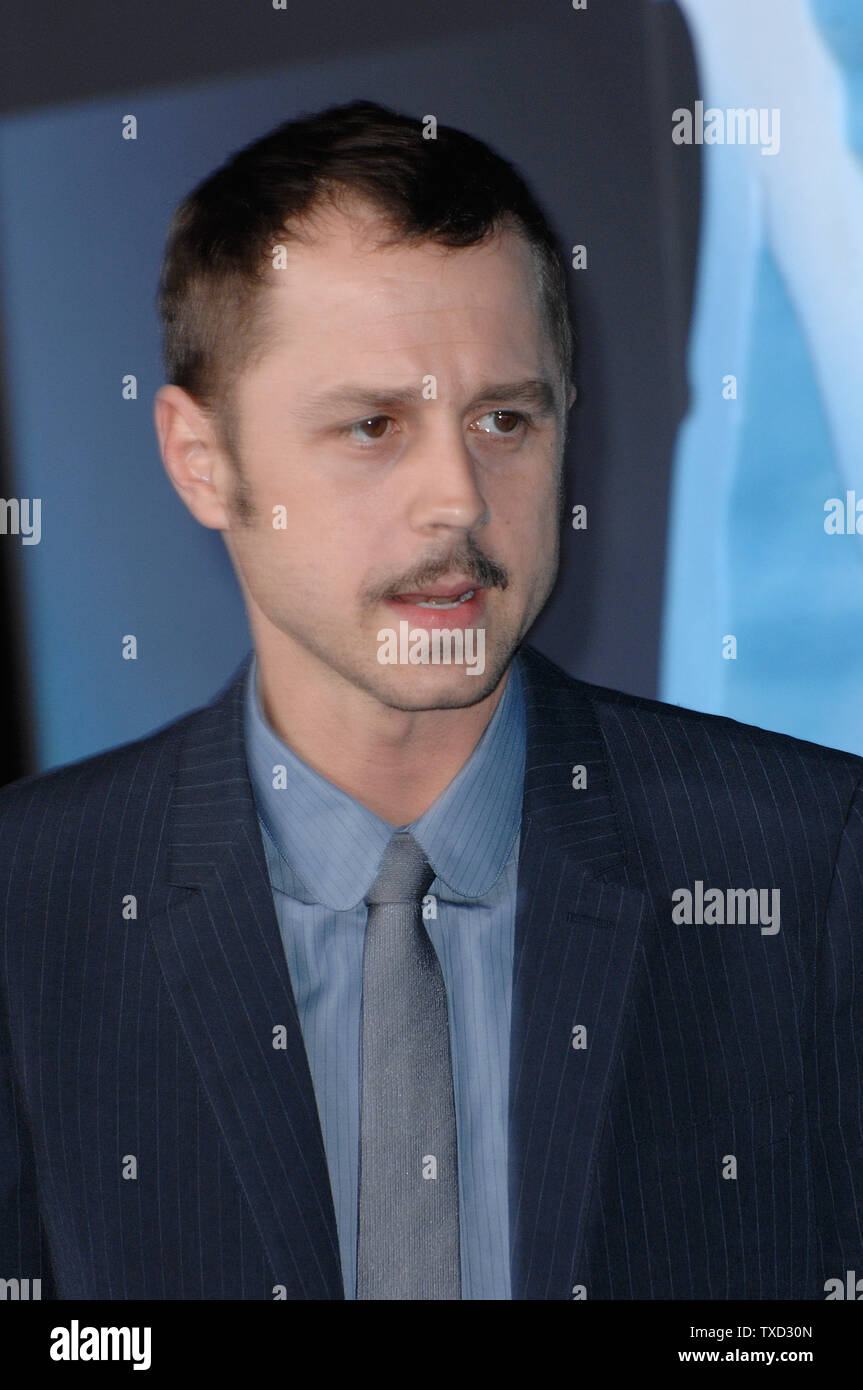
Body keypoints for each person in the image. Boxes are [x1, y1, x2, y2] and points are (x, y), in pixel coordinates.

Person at [0, 99, 860, 1302]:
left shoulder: (808, 864)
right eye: (371, 427)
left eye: (504, 419)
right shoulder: (32, 908)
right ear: (203, 461)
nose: (456, 499)